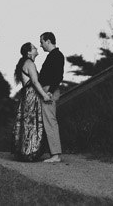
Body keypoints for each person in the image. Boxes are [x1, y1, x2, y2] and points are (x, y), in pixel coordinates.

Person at [11, 42, 51, 161]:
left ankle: (25, 152)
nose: (36, 48)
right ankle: (29, 153)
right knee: (31, 124)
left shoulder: (26, 63)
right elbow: (35, 82)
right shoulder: (29, 63)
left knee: (28, 123)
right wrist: (44, 95)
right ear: (29, 52)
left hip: (27, 95)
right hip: (31, 96)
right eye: (34, 48)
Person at [38, 31, 64, 163]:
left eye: (42, 42)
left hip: (49, 90)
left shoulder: (57, 55)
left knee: (50, 122)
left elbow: (58, 76)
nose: (41, 45)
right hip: (47, 89)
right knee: (48, 121)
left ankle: (56, 155)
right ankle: (52, 153)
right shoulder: (53, 56)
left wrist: (50, 91)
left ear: (48, 41)